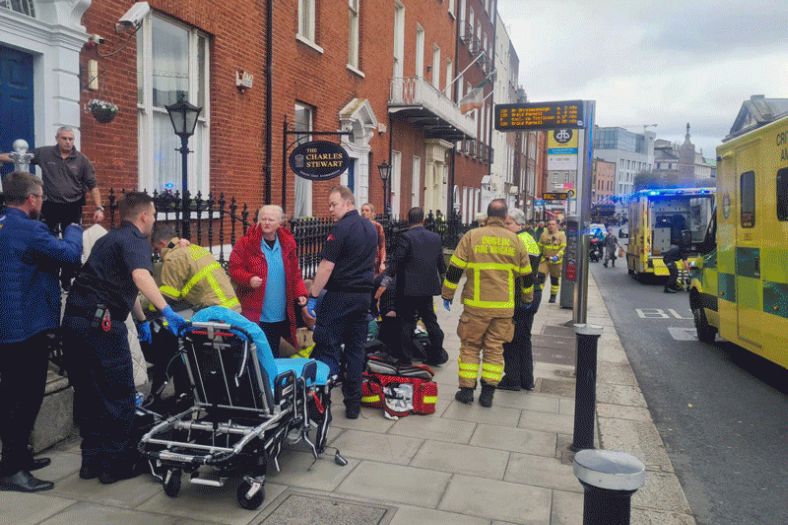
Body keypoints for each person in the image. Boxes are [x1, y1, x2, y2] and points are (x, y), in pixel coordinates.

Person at [61, 192, 187, 484]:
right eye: (153, 215)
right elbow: (141, 277)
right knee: (118, 395)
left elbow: (121, 286)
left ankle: (91, 462)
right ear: (143, 216)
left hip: (75, 322)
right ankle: (115, 466)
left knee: (89, 394)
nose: (153, 220)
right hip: (102, 327)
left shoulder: (109, 240)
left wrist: (141, 321)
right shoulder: (135, 239)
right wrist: (167, 312)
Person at [0, 172, 82, 493]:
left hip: (8, 327)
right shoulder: (30, 229)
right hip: (26, 329)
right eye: (41, 197)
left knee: (10, 395)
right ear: (31, 199)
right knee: (25, 397)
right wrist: (74, 229)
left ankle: (18, 456)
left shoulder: (3, 224)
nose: (43, 203)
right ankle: (13, 470)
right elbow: (69, 254)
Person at [441, 199, 533, 408]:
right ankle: (488, 393)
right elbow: (527, 275)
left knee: (470, 346)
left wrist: (447, 294)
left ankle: (466, 391)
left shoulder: (472, 236)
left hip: (475, 307)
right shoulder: (516, 241)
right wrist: (527, 298)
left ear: (487, 215)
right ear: (505, 216)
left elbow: (455, 268)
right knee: (495, 348)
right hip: (503, 308)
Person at [1, 127, 104, 289]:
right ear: (57, 138)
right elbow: (21, 157)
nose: (68, 142)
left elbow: (93, 185)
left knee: (73, 240)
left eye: (71, 139)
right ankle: (47, 273)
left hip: (73, 205)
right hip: (50, 205)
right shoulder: (45, 153)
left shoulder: (82, 160)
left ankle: (67, 278)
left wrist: (99, 207)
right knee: (45, 239)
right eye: (64, 138)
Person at [307, 186, 377, 419]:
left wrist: (313, 295)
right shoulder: (370, 227)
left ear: (347, 203)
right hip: (362, 297)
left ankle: (318, 406)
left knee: (327, 346)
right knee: (356, 351)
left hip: (339, 296)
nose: (330, 209)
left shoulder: (341, 228)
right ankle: (353, 405)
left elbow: (327, 266)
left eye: (333, 204)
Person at [229, 205, 308, 357]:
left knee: (273, 352)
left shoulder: (287, 243)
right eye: (263, 219)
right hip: (256, 313)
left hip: (281, 312)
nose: (266, 223)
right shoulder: (246, 243)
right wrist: (249, 279)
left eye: (271, 220)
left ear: (279, 222)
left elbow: (295, 273)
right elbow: (234, 269)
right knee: (256, 353)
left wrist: (300, 293)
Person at [378, 207, 447, 366]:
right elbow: (441, 264)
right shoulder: (435, 238)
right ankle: (436, 354)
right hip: (428, 289)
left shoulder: (406, 237)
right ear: (423, 220)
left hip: (407, 289)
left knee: (406, 323)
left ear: (408, 220)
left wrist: (385, 282)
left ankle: (405, 358)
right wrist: (444, 283)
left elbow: (397, 261)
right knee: (430, 320)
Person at [499, 208, 542, 392]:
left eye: (508, 223)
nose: (505, 227)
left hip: (521, 295)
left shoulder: (517, 241)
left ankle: (513, 379)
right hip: (532, 293)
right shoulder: (529, 238)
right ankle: (526, 380)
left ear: (519, 224)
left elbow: (513, 272)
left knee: (511, 339)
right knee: (524, 339)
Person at [538, 219, 567, 303]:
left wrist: (557, 256)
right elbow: (539, 247)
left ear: (557, 225)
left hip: (556, 262)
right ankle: (538, 295)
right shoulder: (543, 235)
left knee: (554, 280)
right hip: (544, 260)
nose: (550, 226)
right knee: (540, 278)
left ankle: (553, 296)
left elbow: (563, 248)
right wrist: (538, 256)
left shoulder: (561, 235)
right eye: (549, 224)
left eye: (553, 224)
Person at [360, 202, 387, 275]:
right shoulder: (358, 226)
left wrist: (382, 263)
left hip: (374, 261)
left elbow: (382, 246)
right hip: (361, 261)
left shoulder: (377, 226)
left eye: (367, 210)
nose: (364, 212)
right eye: (362, 210)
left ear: (372, 213)